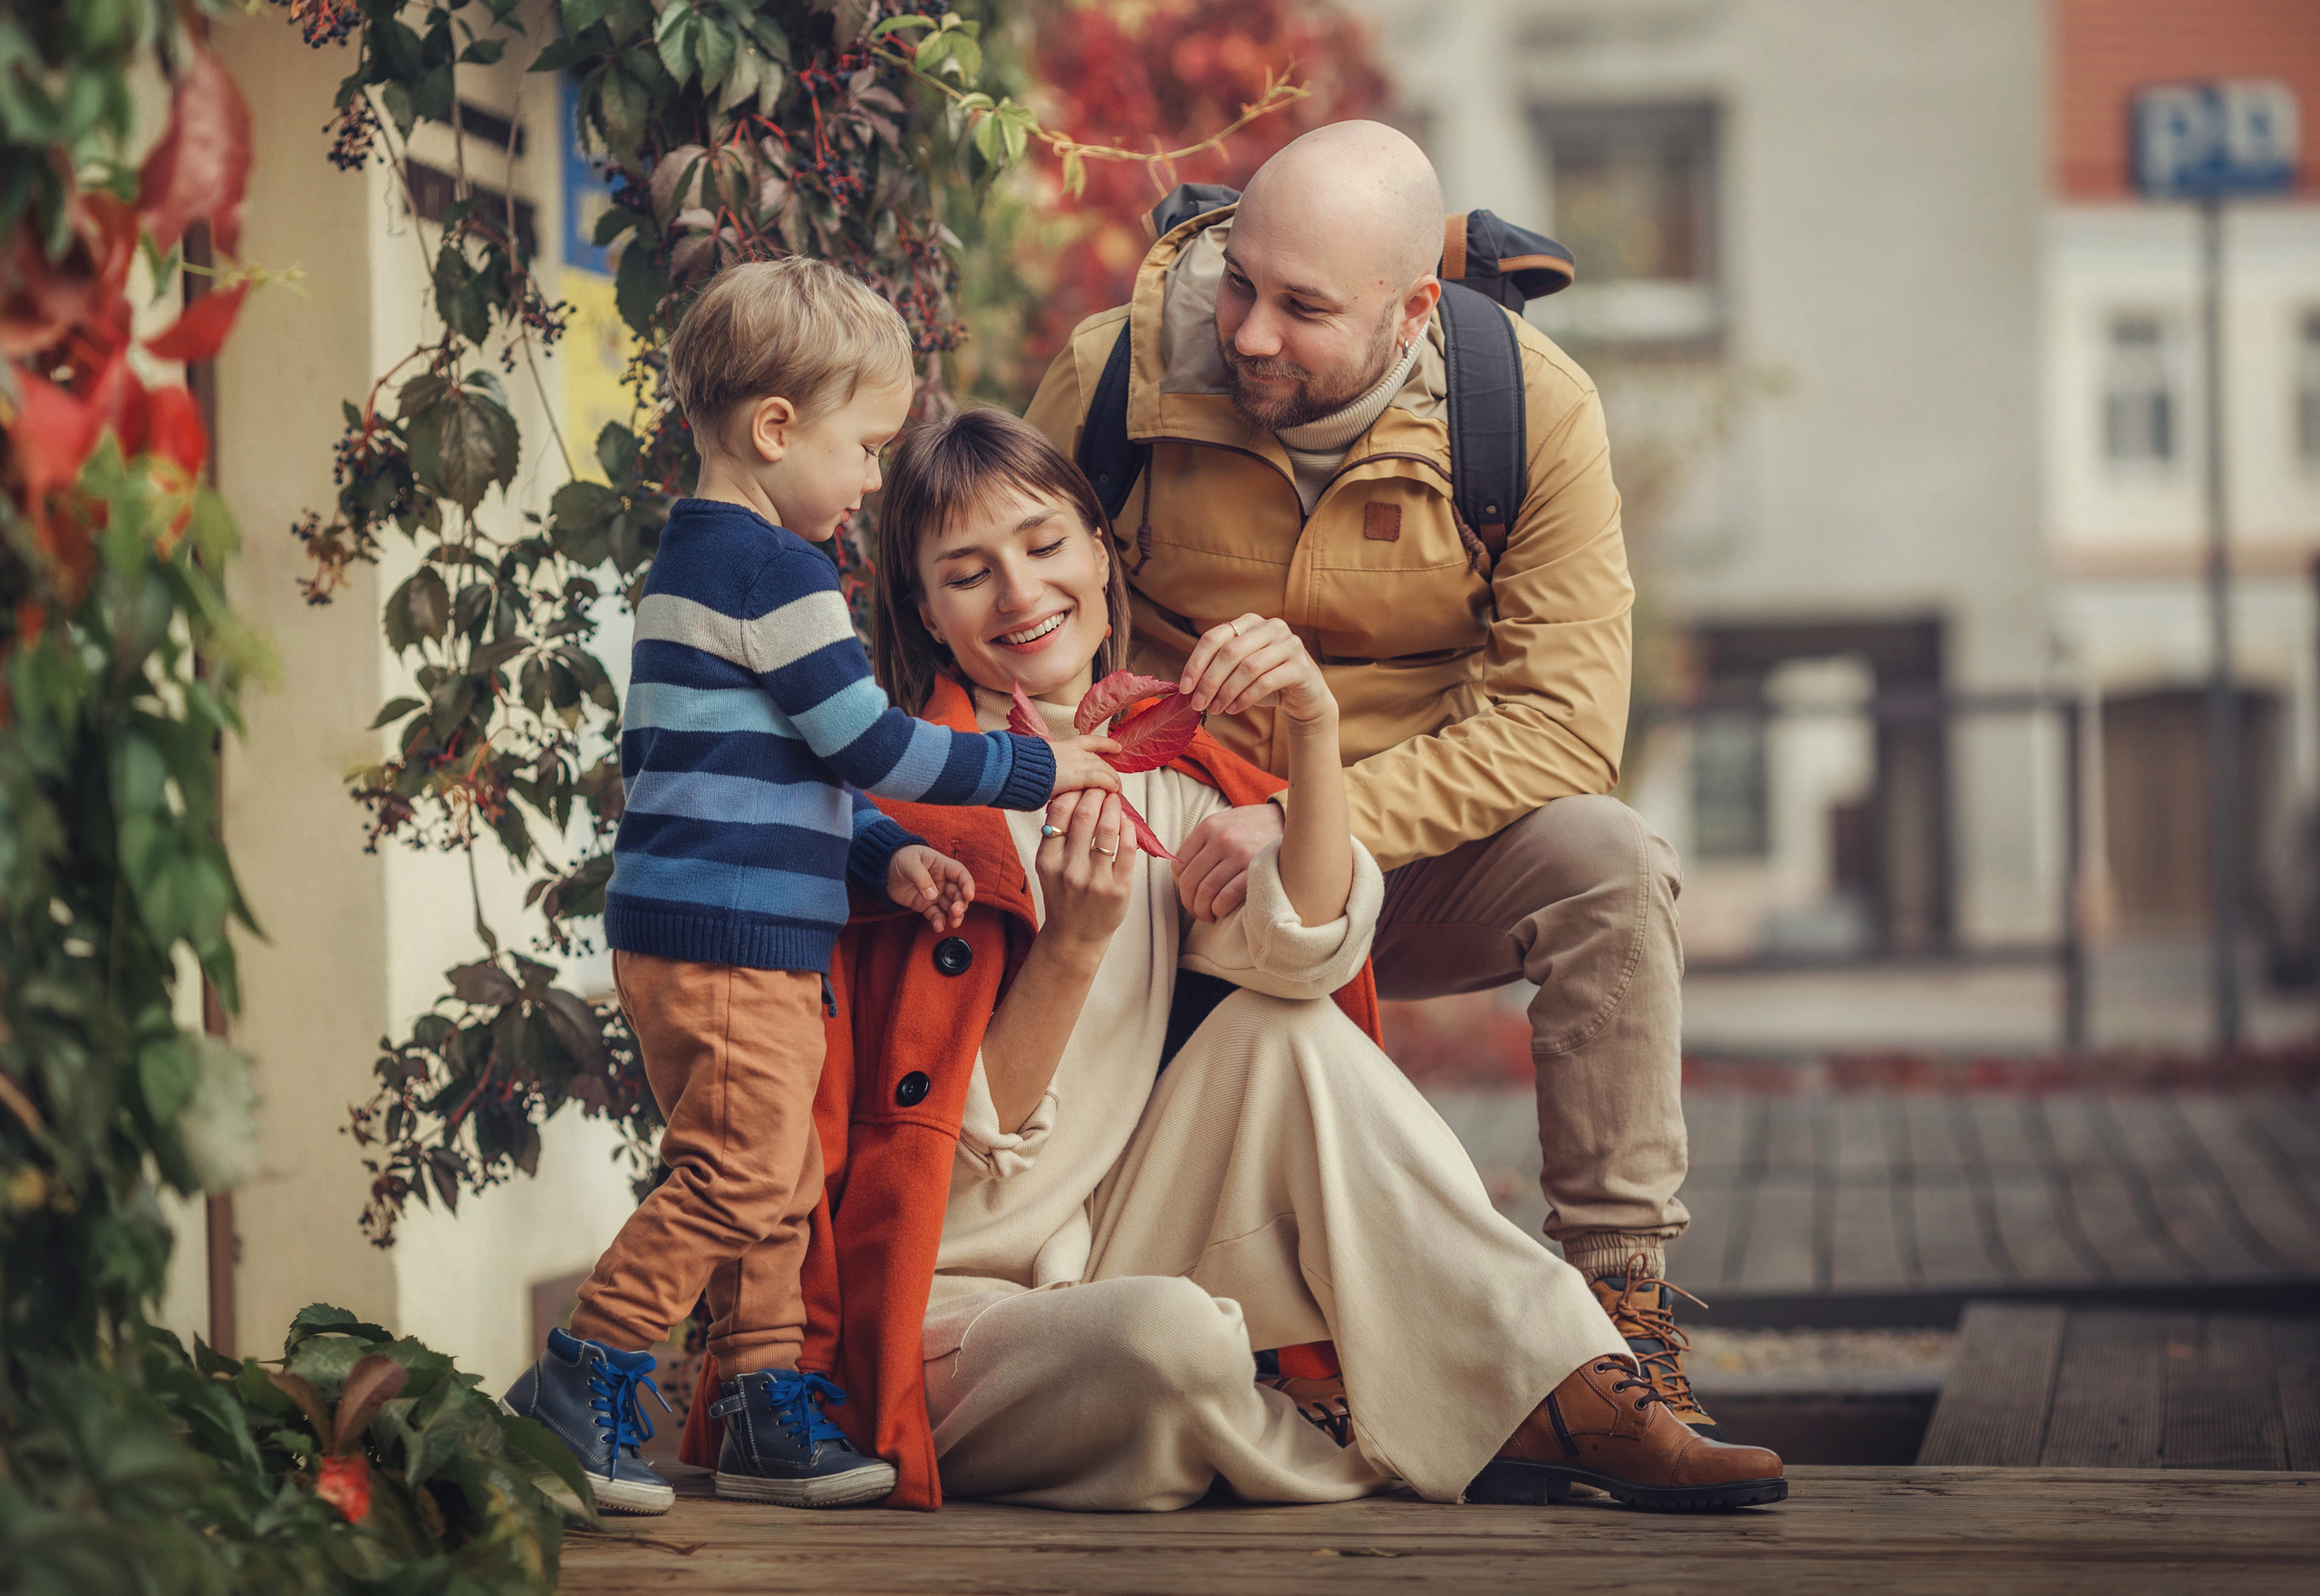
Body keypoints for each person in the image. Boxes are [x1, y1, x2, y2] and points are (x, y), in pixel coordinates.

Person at [676, 407, 1784, 1515]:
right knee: (1162, 1346)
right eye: (968, 573)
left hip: (1120, 1230)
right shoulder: (899, 815)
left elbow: (1304, 951)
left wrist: (1310, 726)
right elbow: (947, 1175)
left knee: (1282, 1029)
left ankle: (1570, 1383)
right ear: (924, 612)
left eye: (1045, 545)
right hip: (946, 1298)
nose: (1020, 594)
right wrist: (1071, 944)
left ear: (1102, 557)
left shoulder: (1178, 772)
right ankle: (1411, 1422)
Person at [1023, 121, 1717, 1429]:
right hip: (1173, 846)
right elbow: (1002, 594)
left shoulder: (1532, 409)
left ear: (1412, 312)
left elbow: (1564, 727)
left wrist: (1312, 818)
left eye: (1304, 307)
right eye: (1239, 282)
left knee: (1613, 865)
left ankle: (1618, 1320)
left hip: (1397, 841)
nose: (1250, 332)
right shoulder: (1112, 377)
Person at [503, 260, 1121, 1514]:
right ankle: (583, 1378)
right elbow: (872, 746)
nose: (878, 478)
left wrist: (882, 855)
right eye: (869, 446)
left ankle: (761, 1403)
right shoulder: (775, 573)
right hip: (729, 938)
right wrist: (1032, 764)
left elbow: (780, 775)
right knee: (735, 1172)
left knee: (779, 1175)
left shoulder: (701, 563)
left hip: (735, 922)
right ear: (776, 430)